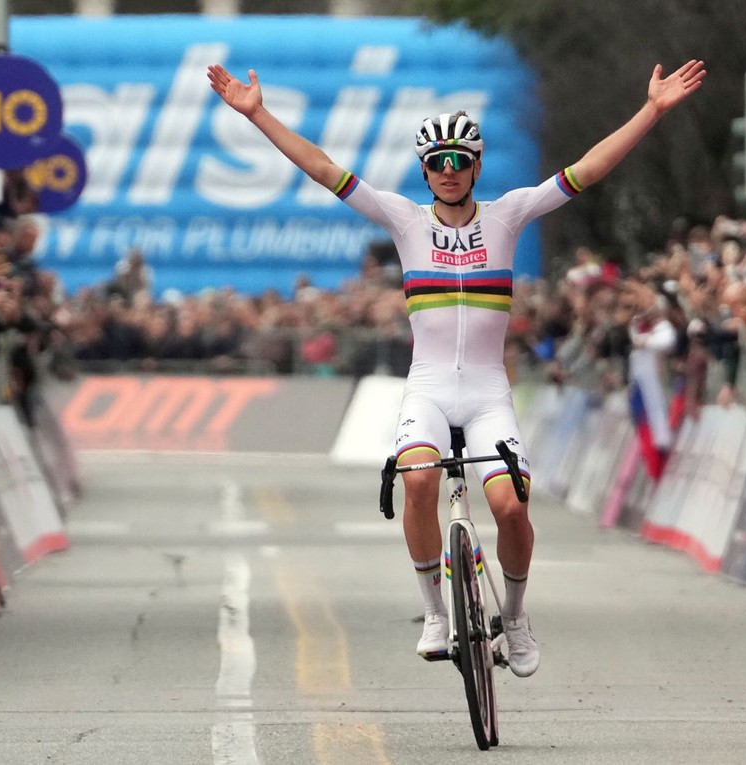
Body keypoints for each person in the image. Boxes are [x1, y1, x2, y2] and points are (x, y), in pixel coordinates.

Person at [207, 58, 706, 677]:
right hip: (430, 391)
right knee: (417, 482)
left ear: (476, 166)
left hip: (489, 394)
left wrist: (651, 111)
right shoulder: (403, 219)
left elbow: (590, 169)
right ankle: (436, 613)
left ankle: (516, 618)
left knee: (512, 511)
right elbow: (322, 168)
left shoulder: (509, 214)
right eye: (436, 163)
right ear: (424, 171)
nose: (447, 172)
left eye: (459, 161)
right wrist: (258, 116)